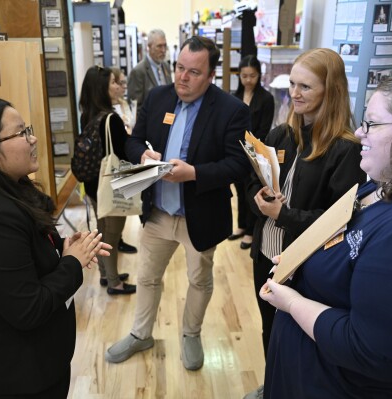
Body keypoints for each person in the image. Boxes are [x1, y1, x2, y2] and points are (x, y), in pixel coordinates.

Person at [260, 72, 392, 398]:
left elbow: (372, 350)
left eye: (372, 124)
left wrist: (291, 302)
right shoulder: (383, 186)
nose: (359, 132)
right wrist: (305, 257)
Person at [0, 98, 112, 398]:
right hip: (14, 371)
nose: (32, 138)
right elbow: (28, 308)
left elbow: (22, 251)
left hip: (34, 359)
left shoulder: (7, 188)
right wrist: (71, 263)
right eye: (20, 133)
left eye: (27, 129)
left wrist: (61, 246)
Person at [105, 36, 250, 370]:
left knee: (199, 279)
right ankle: (141, 334)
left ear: (211, 74)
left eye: (194, 72)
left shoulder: (231, 110)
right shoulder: (157, 97)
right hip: (157, 212)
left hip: (199, 216)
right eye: (179, 68)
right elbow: (132, 140)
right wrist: (142, 153)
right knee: (147, 276)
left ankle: (190, 334)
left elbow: (238, 164)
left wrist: (194, 173)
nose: (183, 77)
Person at [243, 48, 366, 399]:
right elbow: (255, 179)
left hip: (304, 264)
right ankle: (273, 384)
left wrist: (283, 215)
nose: (294, 93)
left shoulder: (346, 150)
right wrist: (258, 197)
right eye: (293, 84)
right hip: (266, 254)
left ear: (332, 91)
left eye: (306, 87)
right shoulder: (283, 134)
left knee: (297, 339)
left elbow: (339, 223)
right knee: (269, 329)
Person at [79, 66, 137, 295]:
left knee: (102, 229)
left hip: (94, 183)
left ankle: (106, 274)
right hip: (111, 183)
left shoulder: (88, 114)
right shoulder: (111, 119)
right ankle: (114, 282)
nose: (117, 86)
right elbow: (125, 153)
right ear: (103, 88)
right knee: (112, 233)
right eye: (113, 82)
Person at [228, 55, 275, 250]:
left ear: (259, 75)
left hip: (255, 151)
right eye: (244, 76)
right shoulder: (234, 96)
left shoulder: (266, 98)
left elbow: (263, 130)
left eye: (252, 76)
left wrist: (249, 147)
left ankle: (250, 230)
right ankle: (241, 225)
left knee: (251, 191)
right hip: (235, 150)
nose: (248, 80)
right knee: (238, 189)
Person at [110, 67, 139, 254]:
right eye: (117, 82)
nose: (122, 86)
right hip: (113, 163)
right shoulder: (107, 111)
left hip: (126, 159)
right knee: (111, 214)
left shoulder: (124, 103)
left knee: (122, 206)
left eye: (122, 82)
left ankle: (118, 240)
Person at [127, 29, 172, 110]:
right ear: (149, 47)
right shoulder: (138, 72)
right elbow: (135, 106)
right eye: (159, 46)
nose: (163, 50)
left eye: (165, 46)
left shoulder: (166, 66)